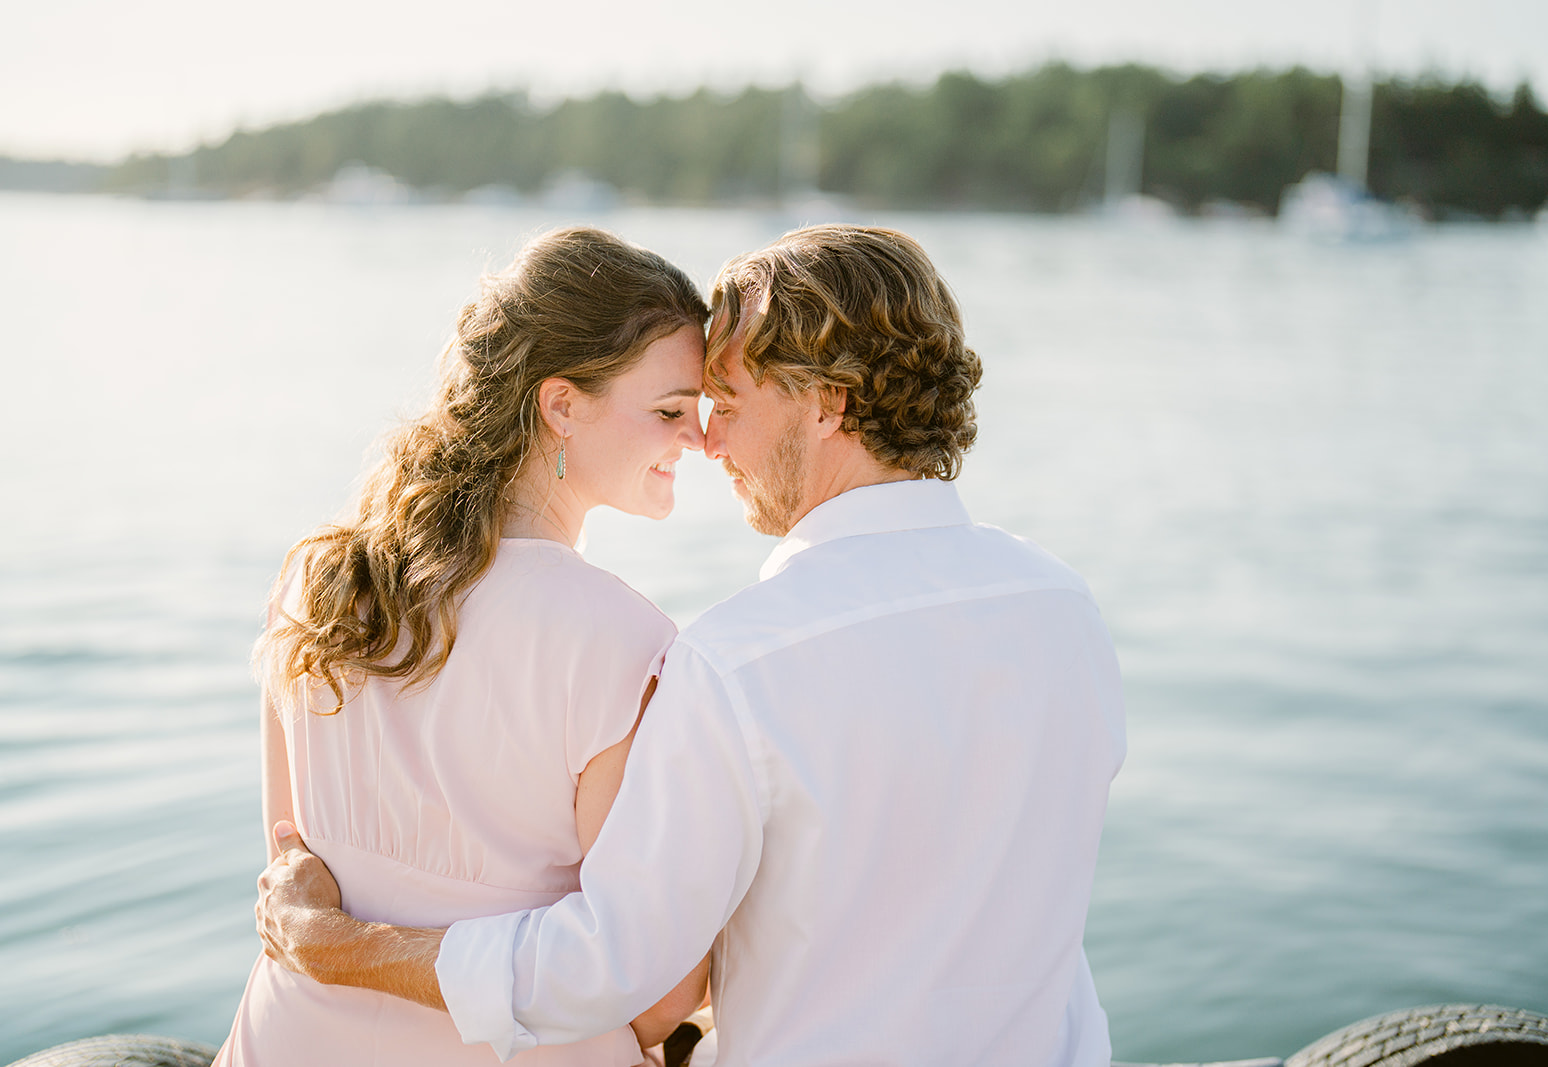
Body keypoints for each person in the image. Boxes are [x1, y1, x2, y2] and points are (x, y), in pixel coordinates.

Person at [258, 224, 1128, 1067]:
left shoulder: (740, 662)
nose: (709, 442)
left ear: (828, 403)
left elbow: (618, 966)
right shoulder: (1066, 605)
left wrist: (336, 944)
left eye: (728, 404)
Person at [215, 227, 714, 1066]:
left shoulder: (317, 581)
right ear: (562, 404)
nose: (697, 439)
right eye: (669, 410)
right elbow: (658, 988)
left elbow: (289, 864)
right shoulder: (628, 643)